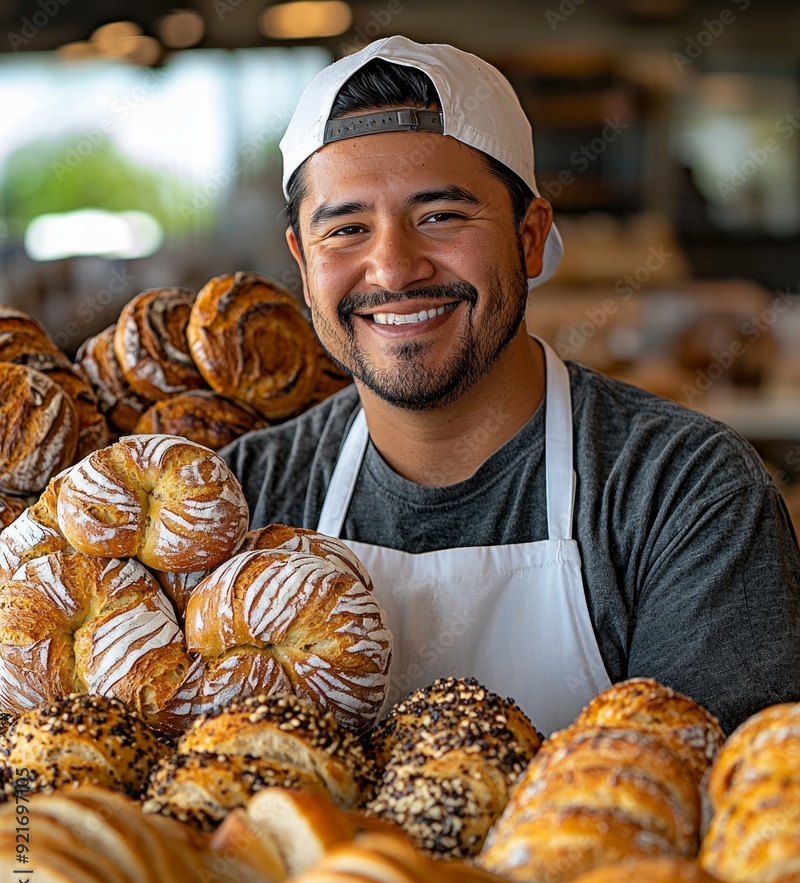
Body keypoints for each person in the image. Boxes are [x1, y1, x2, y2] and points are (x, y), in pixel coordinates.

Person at [220, 35, 800, 736]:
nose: (394, 269)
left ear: (529, 237)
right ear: (302, 264)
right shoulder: (244, 499)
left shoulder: (682, 491)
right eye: (345, 228)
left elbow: (726, 806)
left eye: (441, 217)